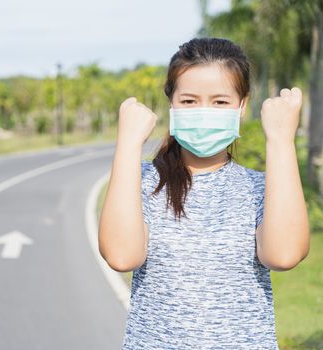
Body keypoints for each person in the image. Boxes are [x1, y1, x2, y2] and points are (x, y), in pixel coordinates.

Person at [98, 37, 311, 349]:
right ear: (171, 103)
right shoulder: (140, 182)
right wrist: (128, 145)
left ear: (242, 106)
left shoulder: (260, 188)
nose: (204, 111)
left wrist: (280, 140)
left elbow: (284, 255)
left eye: (220, 102)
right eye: (189, 101)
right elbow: (121, 255)